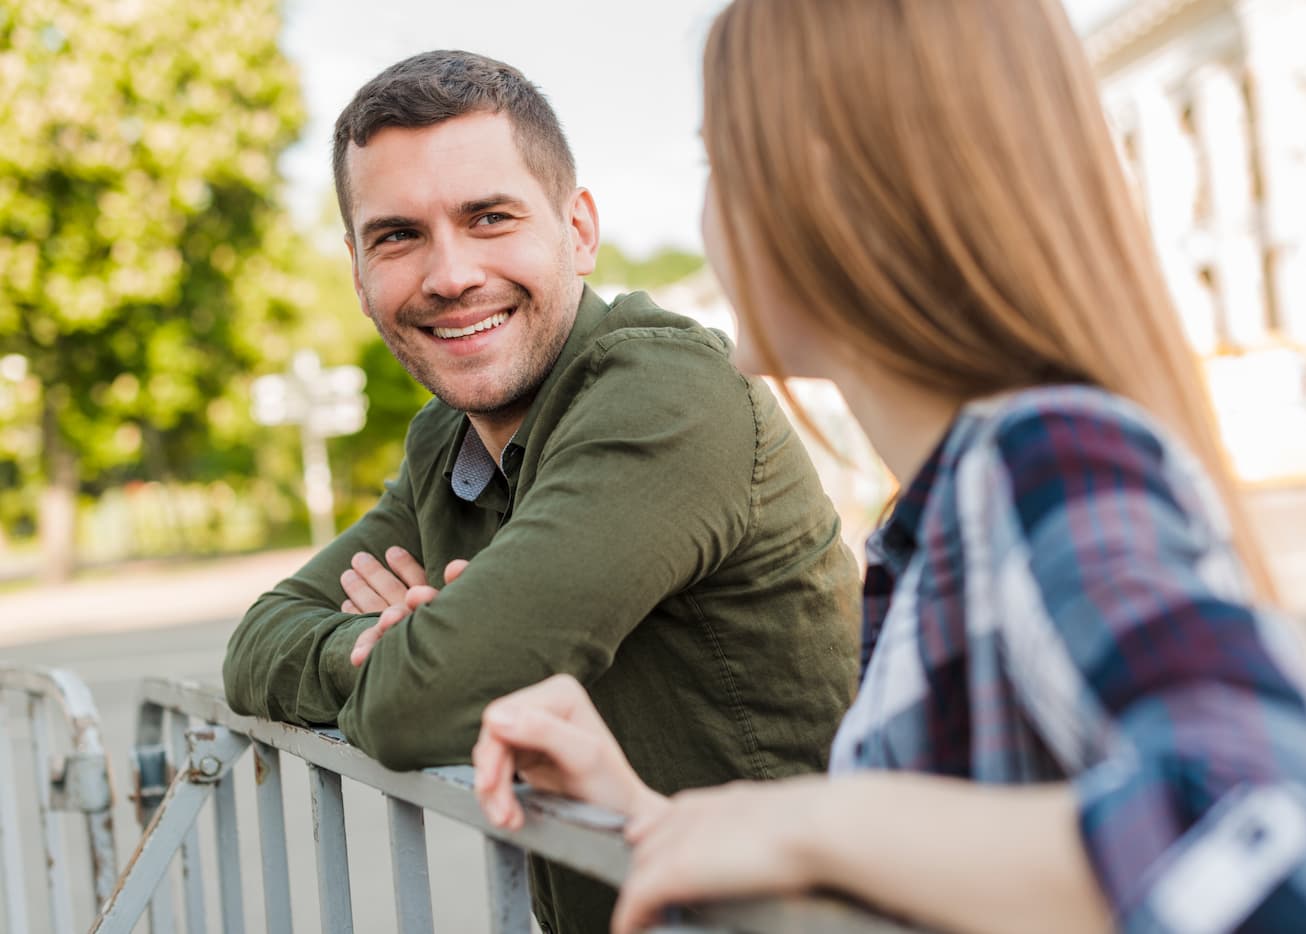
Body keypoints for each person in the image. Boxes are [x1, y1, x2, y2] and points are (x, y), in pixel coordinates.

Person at [470, 1, 1306, 932]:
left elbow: (1281, 836)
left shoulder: (1041, 463)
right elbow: (964, 873)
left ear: (833, 185)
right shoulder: (945, 516)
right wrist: (656, 822)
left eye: (721, 160)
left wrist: (809, 819)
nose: (706, 210)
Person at [220, 50, 862, 934]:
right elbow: (255, 645)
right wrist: (369, 649)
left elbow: (420, 707)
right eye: (398, 235)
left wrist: (425, 659)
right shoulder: (449, 443)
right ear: (359, 269)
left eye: (489, 217)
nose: (449, 275)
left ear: (579, 230)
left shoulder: (667, 393)